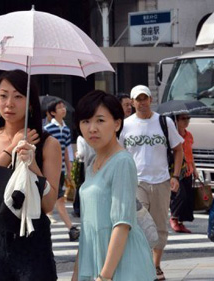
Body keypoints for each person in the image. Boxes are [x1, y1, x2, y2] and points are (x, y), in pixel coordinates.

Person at [0, 70, 61, 281]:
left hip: (33, 241)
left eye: (18, 96)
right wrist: (11, 149)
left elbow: (48, 204)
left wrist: (33, 165)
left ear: (30, 103)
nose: (9, 103)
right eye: (3, 95)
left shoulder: (48, 144)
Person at [71, 90, 156, 281]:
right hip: (94, 260)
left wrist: (105, 276)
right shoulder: (93, 163)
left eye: (100, 120)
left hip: (121, 266)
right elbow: (87, 229)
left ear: (117, 124)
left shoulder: (122, 162)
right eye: (85, 121)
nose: (92, 128)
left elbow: (122, 223)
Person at [119, 85, 184, 281]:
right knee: (139, 224)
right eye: (138, 99)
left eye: (145, 98)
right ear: (132, 102)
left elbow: (178, 149)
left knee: (159, 226)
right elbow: (119, 153)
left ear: (150, 100)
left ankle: (155, 265)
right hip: (136, 181)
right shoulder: (125, 125)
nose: (142, 102)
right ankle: (143, 262)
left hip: (162, 180)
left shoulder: (164, 122)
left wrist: (176, 176)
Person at [44, 99, 80, 241]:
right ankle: (71, 228)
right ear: (53, 112)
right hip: (50, 171)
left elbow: (66, 150)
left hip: (61, 171)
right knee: (58, 200)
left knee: (59, 200)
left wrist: (69, 172)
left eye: (63, 107)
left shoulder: (65, 129)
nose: (63, 109)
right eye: (59, 108)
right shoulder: (47, 130)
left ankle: (70, 228)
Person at [169, 114, 199, 233]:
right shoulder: (173, 135)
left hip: (188, 170)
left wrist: (195, 169)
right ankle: (174, 218)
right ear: (176, 120)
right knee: (180, 195)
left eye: (188, 118)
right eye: (183, 119)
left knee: (187, 197)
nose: (186, 121)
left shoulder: (189, 135)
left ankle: (180, 222)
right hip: (177, 169)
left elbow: (190, 154)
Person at [72, 135, 95, 217]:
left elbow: (81, 153)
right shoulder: (95, 136)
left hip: (84, 166)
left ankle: (78, 209)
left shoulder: (80, 138)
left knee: (80, 187)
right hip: (95, 164)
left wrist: (77, 154)